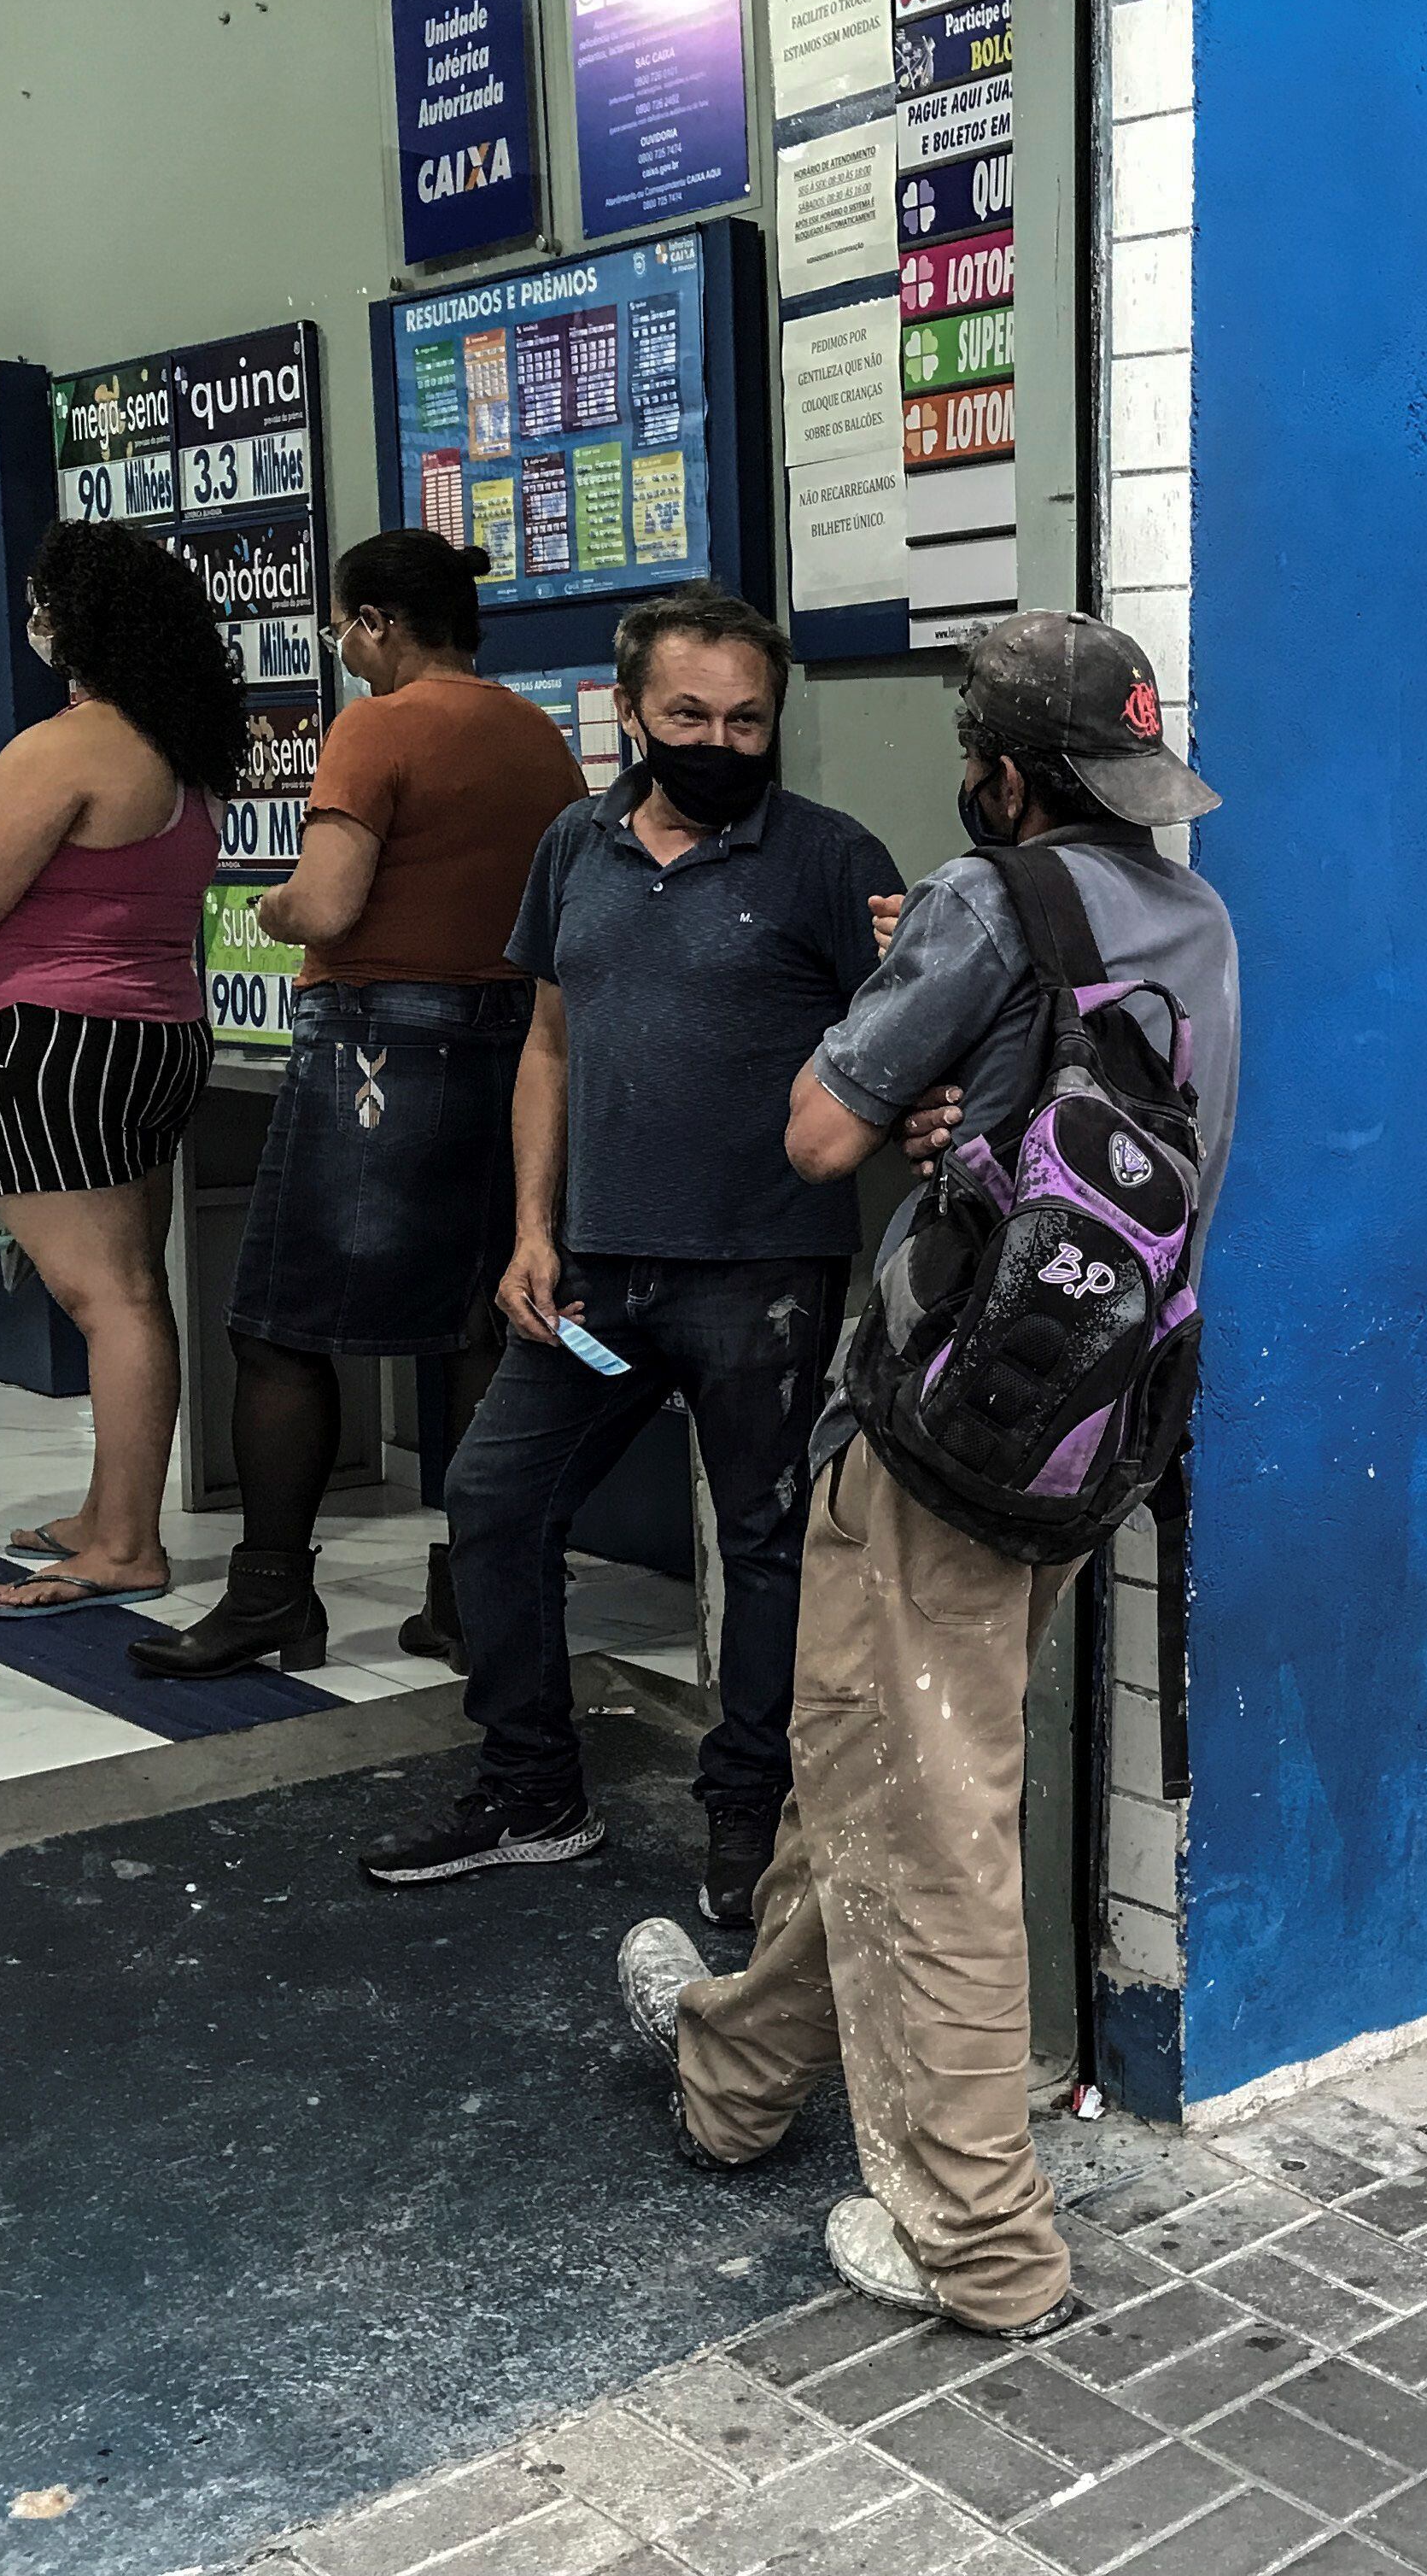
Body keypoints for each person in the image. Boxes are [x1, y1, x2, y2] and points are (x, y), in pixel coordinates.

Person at [608, 612, 1233, 2331]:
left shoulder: (984, 903)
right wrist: (972, 1080)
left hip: (935, 1432)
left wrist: (914, 1049)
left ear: (1007, 776)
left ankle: (981, 2246)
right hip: (1088, 1428)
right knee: (882, 1766)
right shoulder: (1194, 920)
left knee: (932, 1819)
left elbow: (818, 1130)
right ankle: (736, 2074)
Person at [357, 585, 902, 1920]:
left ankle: (747, 1814)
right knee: (495, 1501)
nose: (719, 740)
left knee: (765, 1548)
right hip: (594, 1271)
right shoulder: (572, 846)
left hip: (763, 1280)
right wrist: (532, 1228)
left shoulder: (832, 861)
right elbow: (548, 1044)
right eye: (689, 715)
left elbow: (900, 1045)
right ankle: (534, 1791)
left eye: (748, 719)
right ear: (630, 713)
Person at [132, 532, 585, 1679]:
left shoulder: (377, 726)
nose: (341, 646)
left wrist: (271, 914)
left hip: (381, 1046)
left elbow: (329, 905)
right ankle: (475, 1601)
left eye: (344, 625)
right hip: (515, 1042)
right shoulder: (536, 735)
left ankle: (272, 1599)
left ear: (380, 623)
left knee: (276, 1326)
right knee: (483, 1324)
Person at [0, 523, 235, 1620]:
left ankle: (127, 1546)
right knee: (135, 1290)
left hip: (56, 1040)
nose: (33, 621)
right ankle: (109, 1517)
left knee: (111, 1300)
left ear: (79, 618)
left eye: (45, 601)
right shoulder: (179, 749)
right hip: (154, 1033)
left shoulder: (69, 746)